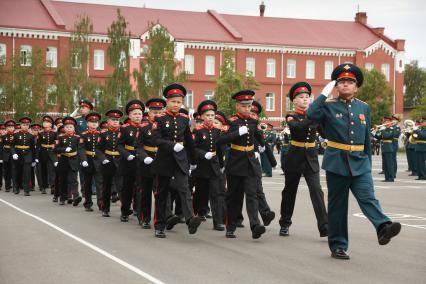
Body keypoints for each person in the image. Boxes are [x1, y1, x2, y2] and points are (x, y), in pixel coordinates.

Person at [307, 63, 401, 260]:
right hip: (336, 163)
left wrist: (367, 159)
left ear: (356, 86)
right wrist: (323, 94)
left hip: (360, 161)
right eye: (341, 82)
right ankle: (338, 246)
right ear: (336, 85)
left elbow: (366, 136)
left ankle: (383, 226)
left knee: (368, 197)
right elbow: (310, 115)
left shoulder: (363, 107)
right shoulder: (328, 106)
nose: (345, 85)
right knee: (338, 207)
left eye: (350, 82)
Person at [150, 83, 202, 238]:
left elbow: (189, 141)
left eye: (179, 102)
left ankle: (190, 219)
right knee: (162, 193)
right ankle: (159, 226)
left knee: (184, 188)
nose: (176, 105)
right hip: (164, 160)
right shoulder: (159, 119)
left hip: (180, 159)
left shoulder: (184, 119)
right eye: (173, 101)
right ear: (167, 102)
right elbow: (155, 140)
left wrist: (193, 161)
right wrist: (172, 146)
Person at [279, 82, 328, 238]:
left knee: (316, 191)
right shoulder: (291, 116)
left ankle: (324, 226)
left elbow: (325, 133)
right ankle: (285, 223)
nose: (305, 99)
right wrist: (313, 115)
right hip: (294, 157)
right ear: (295, 101)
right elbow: (298, 128)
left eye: (307, 97)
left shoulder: (315, 116)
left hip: (311, 158)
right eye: (301, 97)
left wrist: (327, 119)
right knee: (289, 192)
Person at [217, 90, 266, 239]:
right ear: (237, 106)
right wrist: (238, 133)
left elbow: (257, 135)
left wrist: (262, 146)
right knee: (234, 197)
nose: (247, 109)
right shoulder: (231, 122)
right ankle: (230, 227)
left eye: (249, 106)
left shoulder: (253, 121)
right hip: (236, 162)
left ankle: (255, 225)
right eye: (244, 106)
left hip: (250, 161)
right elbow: (221, 140)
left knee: (252, 195)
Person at [192, 100, 226, 231]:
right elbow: (193, 148)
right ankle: (198, 213)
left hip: (214, 165)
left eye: (212, 115)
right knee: (201, 192)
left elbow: (220, 148)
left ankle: (218, 222)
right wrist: (202, 154)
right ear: (201, 117)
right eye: (207, 115)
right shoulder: (198, 131)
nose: (210, 118)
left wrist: (222, 164)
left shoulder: (218, 131)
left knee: (216, 193)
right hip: (201, 166)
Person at [136, 98, 166, 229]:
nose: (157, 114)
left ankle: (162, 219)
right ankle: (145, 218)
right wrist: (144, 157)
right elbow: (138, 146)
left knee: (161, 192)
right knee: (145, 191)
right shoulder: (143, 127)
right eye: (154, 111)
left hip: (162, 160)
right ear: (149, 112)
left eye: (159, 112)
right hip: (147, 161)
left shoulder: (166, 126)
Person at [98, 109, 123, 217]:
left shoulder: (123, 132)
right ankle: (105, 208)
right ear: (108, 121)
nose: (115, 122)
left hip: (120, 160)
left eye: (117, 120)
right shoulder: (103, 133)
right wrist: (103, 158)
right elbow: (98, 149)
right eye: (113, 120)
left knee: (121, 186)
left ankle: (125, 209)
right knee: (106, 186)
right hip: (107, 160)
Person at [78, 112, 103, 211]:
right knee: (87, 183)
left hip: (98, 160)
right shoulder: (83, 135)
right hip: (88, 160)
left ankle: (101, 202)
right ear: (87, 123)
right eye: (91, 122)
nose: (94, 124)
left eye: (96, 122)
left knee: (99, 182)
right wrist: (83, 160)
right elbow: (81, 148)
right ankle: (88, 203)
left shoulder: (101, 134)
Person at [54, 117, 82, 206]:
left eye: (70, 127)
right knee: (63, 180)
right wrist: (64, 149)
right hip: (63, 160)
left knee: (73, 179)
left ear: (74, 128)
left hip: (74, 160)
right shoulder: (60, 137)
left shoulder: (77, 137)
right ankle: (63, 197)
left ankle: (76, 196)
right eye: (67, 127)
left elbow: (80, 149)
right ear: (64, 128)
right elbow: (55, 149)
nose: (68, 129)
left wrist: (81, 160)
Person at [10, 117, 36, 196]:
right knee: (17, 173)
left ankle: (26, 190)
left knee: (27, 174)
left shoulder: (31, 136)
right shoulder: (16, 135)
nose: (25, 126)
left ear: (29, 126)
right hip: (18, 156)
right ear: (20, 125)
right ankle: (16, 188)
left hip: (27, 156)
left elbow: (32, 148)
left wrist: (34, 159)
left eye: (27, 125)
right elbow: (12, 146)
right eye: (23, 125)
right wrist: (14, 153)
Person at [37, 115, 57, 194]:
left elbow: (56, 142)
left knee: (51, 170)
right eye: (44, 122)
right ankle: (43, 186)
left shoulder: (54, 133)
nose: (45, 123)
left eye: (47, 122)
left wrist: (54, 146)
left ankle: (53, 186)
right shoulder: (41, 133)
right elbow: (38, 145)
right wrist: (37, 156)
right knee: (43, 170)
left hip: (51, 153)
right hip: (43, 153)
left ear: (51, 124)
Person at [1, 120, 16, 192]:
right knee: (7, 171)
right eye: (9, 127)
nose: (11, 128)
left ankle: (15, 186)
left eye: (12, 126)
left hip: (14, 155)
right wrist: (1, 157)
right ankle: (7, 186)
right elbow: (1, 147)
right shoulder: (3, 137)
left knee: (14, 171)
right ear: (6, 128)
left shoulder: (16, 136)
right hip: (6, 155)